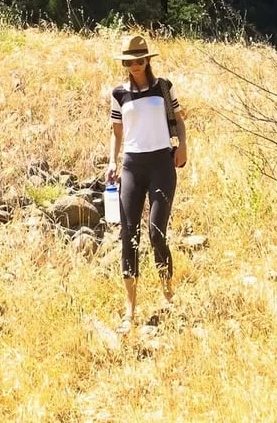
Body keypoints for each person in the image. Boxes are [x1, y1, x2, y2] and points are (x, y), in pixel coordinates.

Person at [106, 33, 187, 332]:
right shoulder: (119, 94)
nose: (135, 66)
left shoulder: (162, 88)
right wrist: (111, 161)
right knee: (129, 236)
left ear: (148, 61)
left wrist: (183, 146)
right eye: (130, 61)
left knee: (156, 232)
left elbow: (179, 119)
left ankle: (168, 295)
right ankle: (131, 309)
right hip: (131, 166)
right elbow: (116, 132)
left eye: (140, 60)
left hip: (161, 164)